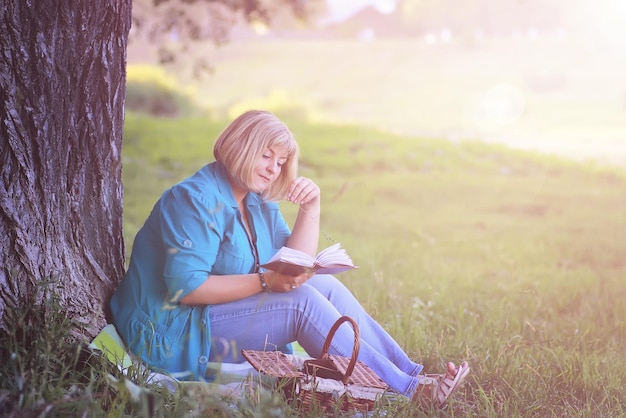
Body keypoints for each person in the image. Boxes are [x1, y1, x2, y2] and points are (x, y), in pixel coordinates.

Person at [109, 110, 469, 408]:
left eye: (280, 162)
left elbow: (295, 261)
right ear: (240, 146)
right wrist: (266, 282)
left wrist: (311, 207)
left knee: (322, 284)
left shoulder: (256, 200)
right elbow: (187, 288)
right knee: (300, 303)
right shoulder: (195, 199)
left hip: (210, 319)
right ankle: (405, 393)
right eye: (266, 156)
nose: (273, 169)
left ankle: (414, 377)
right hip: (175, 330)